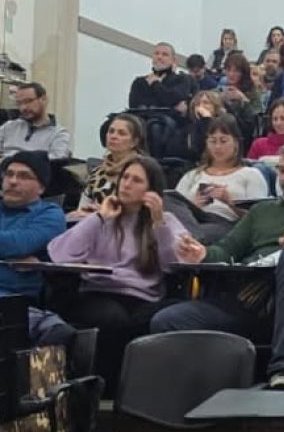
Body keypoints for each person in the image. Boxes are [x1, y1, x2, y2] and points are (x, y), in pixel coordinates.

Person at [153, 141, 284, 389]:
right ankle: (195, 393)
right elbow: (227, 249)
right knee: (169, 320)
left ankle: (283, 367)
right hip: (250, 300)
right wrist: (202, 253)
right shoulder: (262, 211)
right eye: (282, 170)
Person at [48, 156, 187, 392]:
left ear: (150, 189)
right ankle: (110, 390)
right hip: (99, 291)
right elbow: (60, 254)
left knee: (162, 317)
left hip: (145, 296)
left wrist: (158, 224)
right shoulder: (101, 217)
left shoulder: (166, 221)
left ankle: (139, 389)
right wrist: (99, 218)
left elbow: (173, 265)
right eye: (125, 178)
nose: (126, 184)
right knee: (114, 319)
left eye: (136, 180)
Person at [0, 152, 73, 345]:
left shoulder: (50, 215)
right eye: (9, 174)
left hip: (11, 302)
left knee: (52, 329)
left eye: (24, 176)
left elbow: (18, 244)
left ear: (41, 187)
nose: (13, 181)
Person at [175, 116, 268, 223]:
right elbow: (175, 211)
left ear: (236, 143)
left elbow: (259, 219)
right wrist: (193, 207)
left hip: (229, 227)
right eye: (213, 141)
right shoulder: (192, 176)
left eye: (223, 141)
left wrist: (230, 203)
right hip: (193, 225)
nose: (218, 146)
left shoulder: (251, 175)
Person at [70, 113, 148, 220]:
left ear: (134, 142)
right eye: (111, 131)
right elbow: (83, 206)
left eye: (121, 133)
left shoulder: (141, 171)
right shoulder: (98, 171)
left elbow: (139, 211)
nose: (114, 136)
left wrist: (99, 213)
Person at [0, 82, 71, 159]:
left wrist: (12, 159)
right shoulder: (9, 127)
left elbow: (55, 162)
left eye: (28, 101)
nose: (23, 108)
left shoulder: (59, 133)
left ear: (44, 99)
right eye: (19, 103)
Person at [128, 42, 194, 113]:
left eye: (165, 54)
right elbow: (134, 106)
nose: (159, 57)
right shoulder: (140, 82)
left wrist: (155, 84)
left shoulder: (181, 79)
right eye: (156, 53)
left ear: (173, 60)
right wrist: (169, 105)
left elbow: (172, 98)